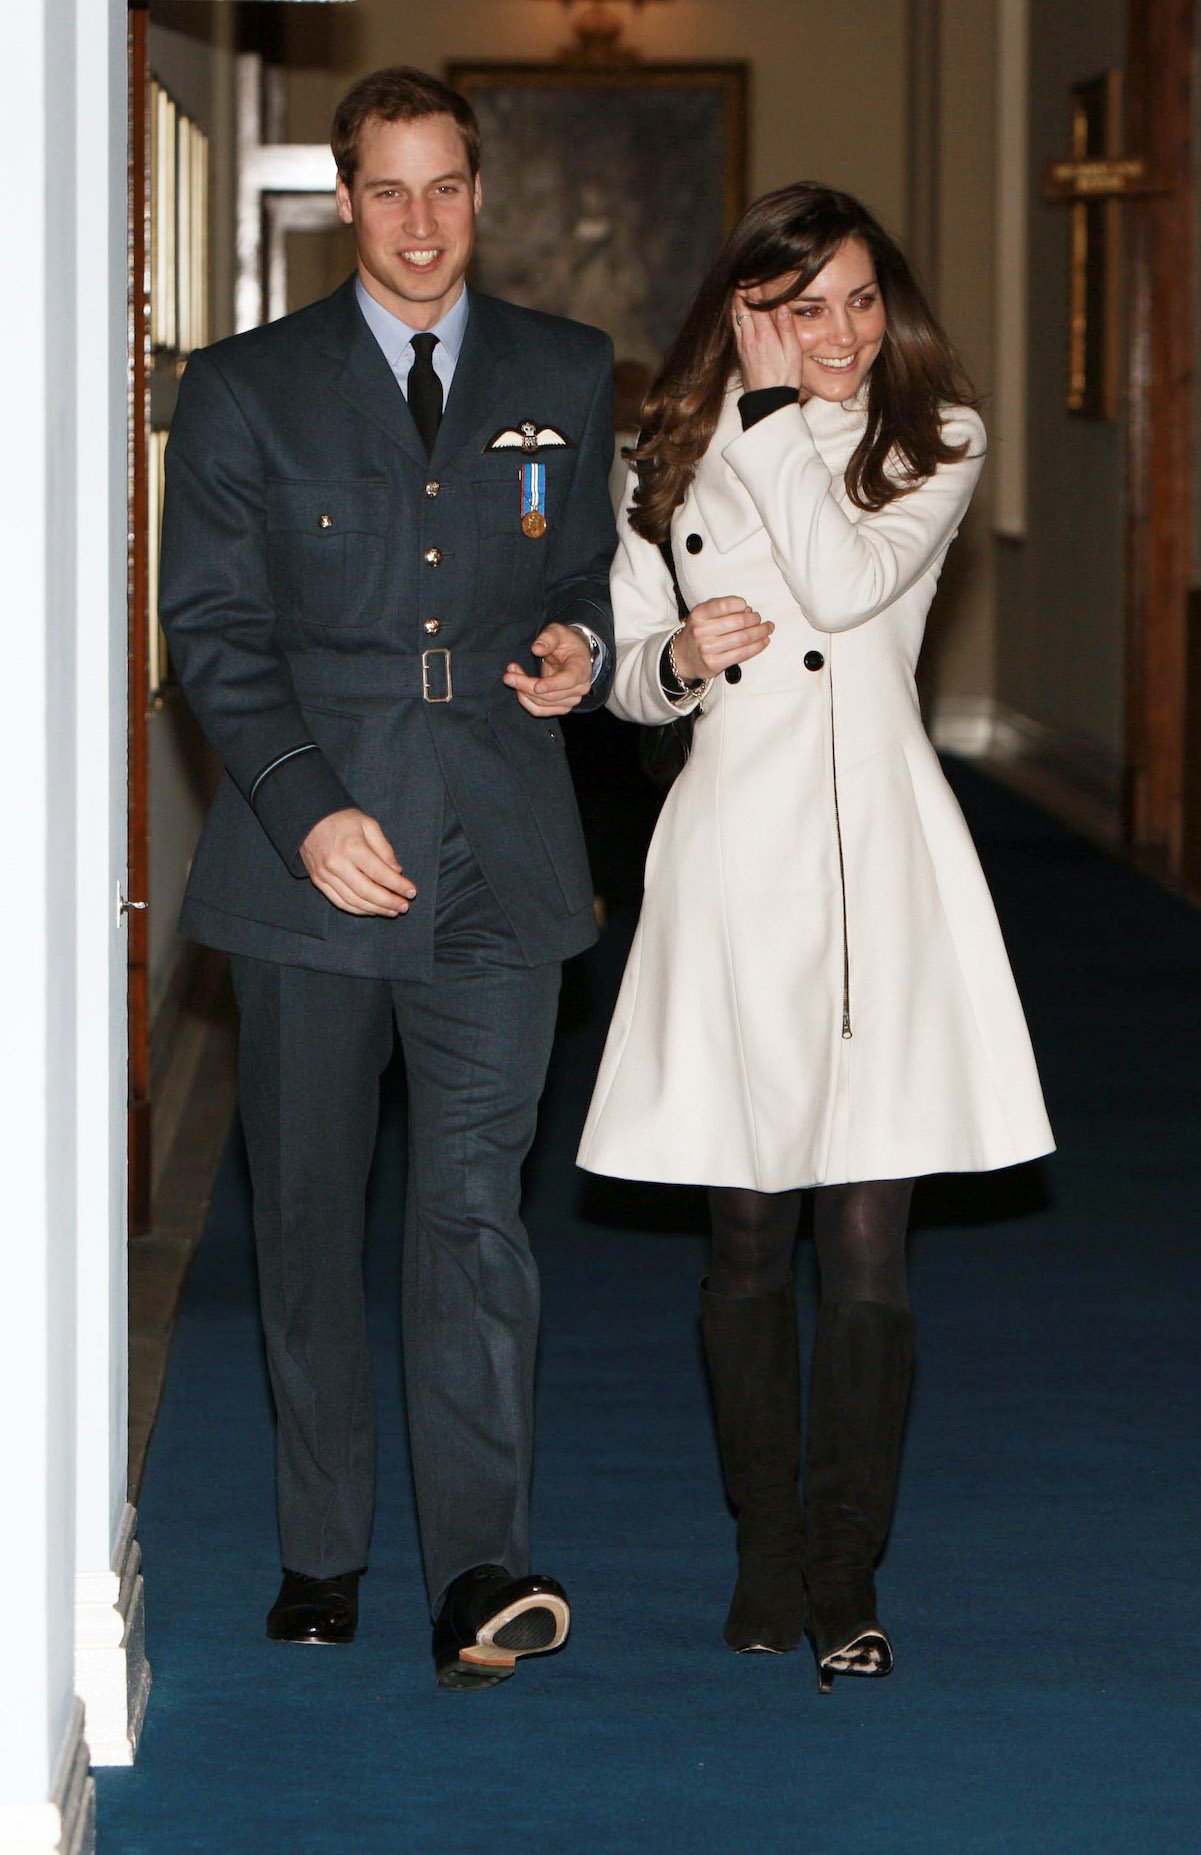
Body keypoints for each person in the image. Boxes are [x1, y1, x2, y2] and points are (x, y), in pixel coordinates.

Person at [160, 67, 616, 1692]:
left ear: (475, 194)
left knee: (472, 1211)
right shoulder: (245, 388)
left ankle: (481, 1565)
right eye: (391, 192)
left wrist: (581, 645)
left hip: (501, 841)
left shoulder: (565, 370)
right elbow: (209, 632)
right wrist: (300, 807)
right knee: (304, 1207)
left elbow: (577, 573)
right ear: (344, 203)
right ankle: (321, 1546)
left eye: (448, 189)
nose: (422, 225)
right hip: (314, 861)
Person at [577, 183, 1054, 1693]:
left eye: (858, 299)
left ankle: (845, 1570)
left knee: (864, 1245)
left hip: (874, 873)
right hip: (731, 860)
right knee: (741, 1234)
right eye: (801, 306)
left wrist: (777, 409)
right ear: (743, 309)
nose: (839, 331)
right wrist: (667, 653)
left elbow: (845, 590)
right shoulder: (658, 454)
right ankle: (763, 1553)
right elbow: (629, 679)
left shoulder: (937, 442)